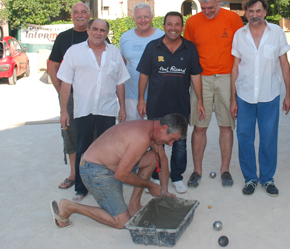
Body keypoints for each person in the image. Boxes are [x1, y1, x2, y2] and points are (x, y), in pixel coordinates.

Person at [50, 114, 188, 229]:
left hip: (112, 165)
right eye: (172, 140)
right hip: (94, 170)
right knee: (121, 222)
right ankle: (70, 207)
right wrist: (150, 185)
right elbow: (121, 175)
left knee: (153, 157)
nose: (170, 144)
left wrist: (164, 191)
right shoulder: (142, 137)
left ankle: (134, 206)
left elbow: (162, 160)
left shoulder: (152, 129)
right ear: (164, 128)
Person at [57, 19, 130, 202]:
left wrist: (122, 107)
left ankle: (106, 184)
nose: (98, 33)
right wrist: (63, 111)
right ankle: (81, 188)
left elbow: (120, 82)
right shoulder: (74, 52)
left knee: (107, 149)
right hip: (83, 109)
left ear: (107, 33)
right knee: (83, 148)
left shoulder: (114, 52)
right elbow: (66, 82)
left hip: (107, 109)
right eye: (95, 29)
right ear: (88, 30)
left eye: (102, 30)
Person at [137, 11, 205, 194]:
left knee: (180, 145)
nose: (173, 28)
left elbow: (195, 75)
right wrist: (141, 99)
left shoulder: (190, 48)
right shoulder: (153, 47)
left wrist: (200, 101)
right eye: (169, 24)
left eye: (177, 24)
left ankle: (176, 177)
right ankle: (156, 176)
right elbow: (144, 74)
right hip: (156, 105)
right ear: (164, 25)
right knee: (156, 144)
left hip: (180, 106)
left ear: (181, 27)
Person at [230, 0, 290, 197]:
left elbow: (284, 64)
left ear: (265, 12)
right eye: (250, 11)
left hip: (270, 95)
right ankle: (250, 178)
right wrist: (233, 98)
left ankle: (267, 179)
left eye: (258, 11)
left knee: (268, 139)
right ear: (245, 13)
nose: (254, 15)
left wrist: (288, 94)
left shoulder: (276, 33)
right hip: (245, 95)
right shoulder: (239, 35)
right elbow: (235, 67)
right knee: (245, 138)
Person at [183, 0, 244, 188]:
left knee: (226, 126)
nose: (207, 11)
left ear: (219, 1)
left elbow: (240, 50)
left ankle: (225, 170)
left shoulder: (233, 19)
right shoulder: (192, 22)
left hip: (227, 77)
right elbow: (189, 52)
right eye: (203, 8)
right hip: (202, 79)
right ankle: (196, 171)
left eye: (210, 7)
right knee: (200, 127)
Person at [48, 2, 91, 190]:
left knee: (94, 134)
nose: (80, 15)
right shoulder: (63, 38)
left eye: (84, 12)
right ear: (71, 16)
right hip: (71, 97)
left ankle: (91, 173)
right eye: (76, 12)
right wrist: (62, 92)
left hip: (92, 97)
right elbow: (52, 66)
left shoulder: (97, 34)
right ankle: (74, 174)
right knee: (71, 134)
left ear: (89, 15)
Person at [119, 3, 164, 121]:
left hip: (157, 96)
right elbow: (121, 67)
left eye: (146, 16)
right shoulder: (125, 38)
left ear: (152, 17)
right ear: (133, 18)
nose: (142, 20)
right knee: (133, 135)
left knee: (156, 136)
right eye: (139, 17)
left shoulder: (162, 36)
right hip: (131, 97)